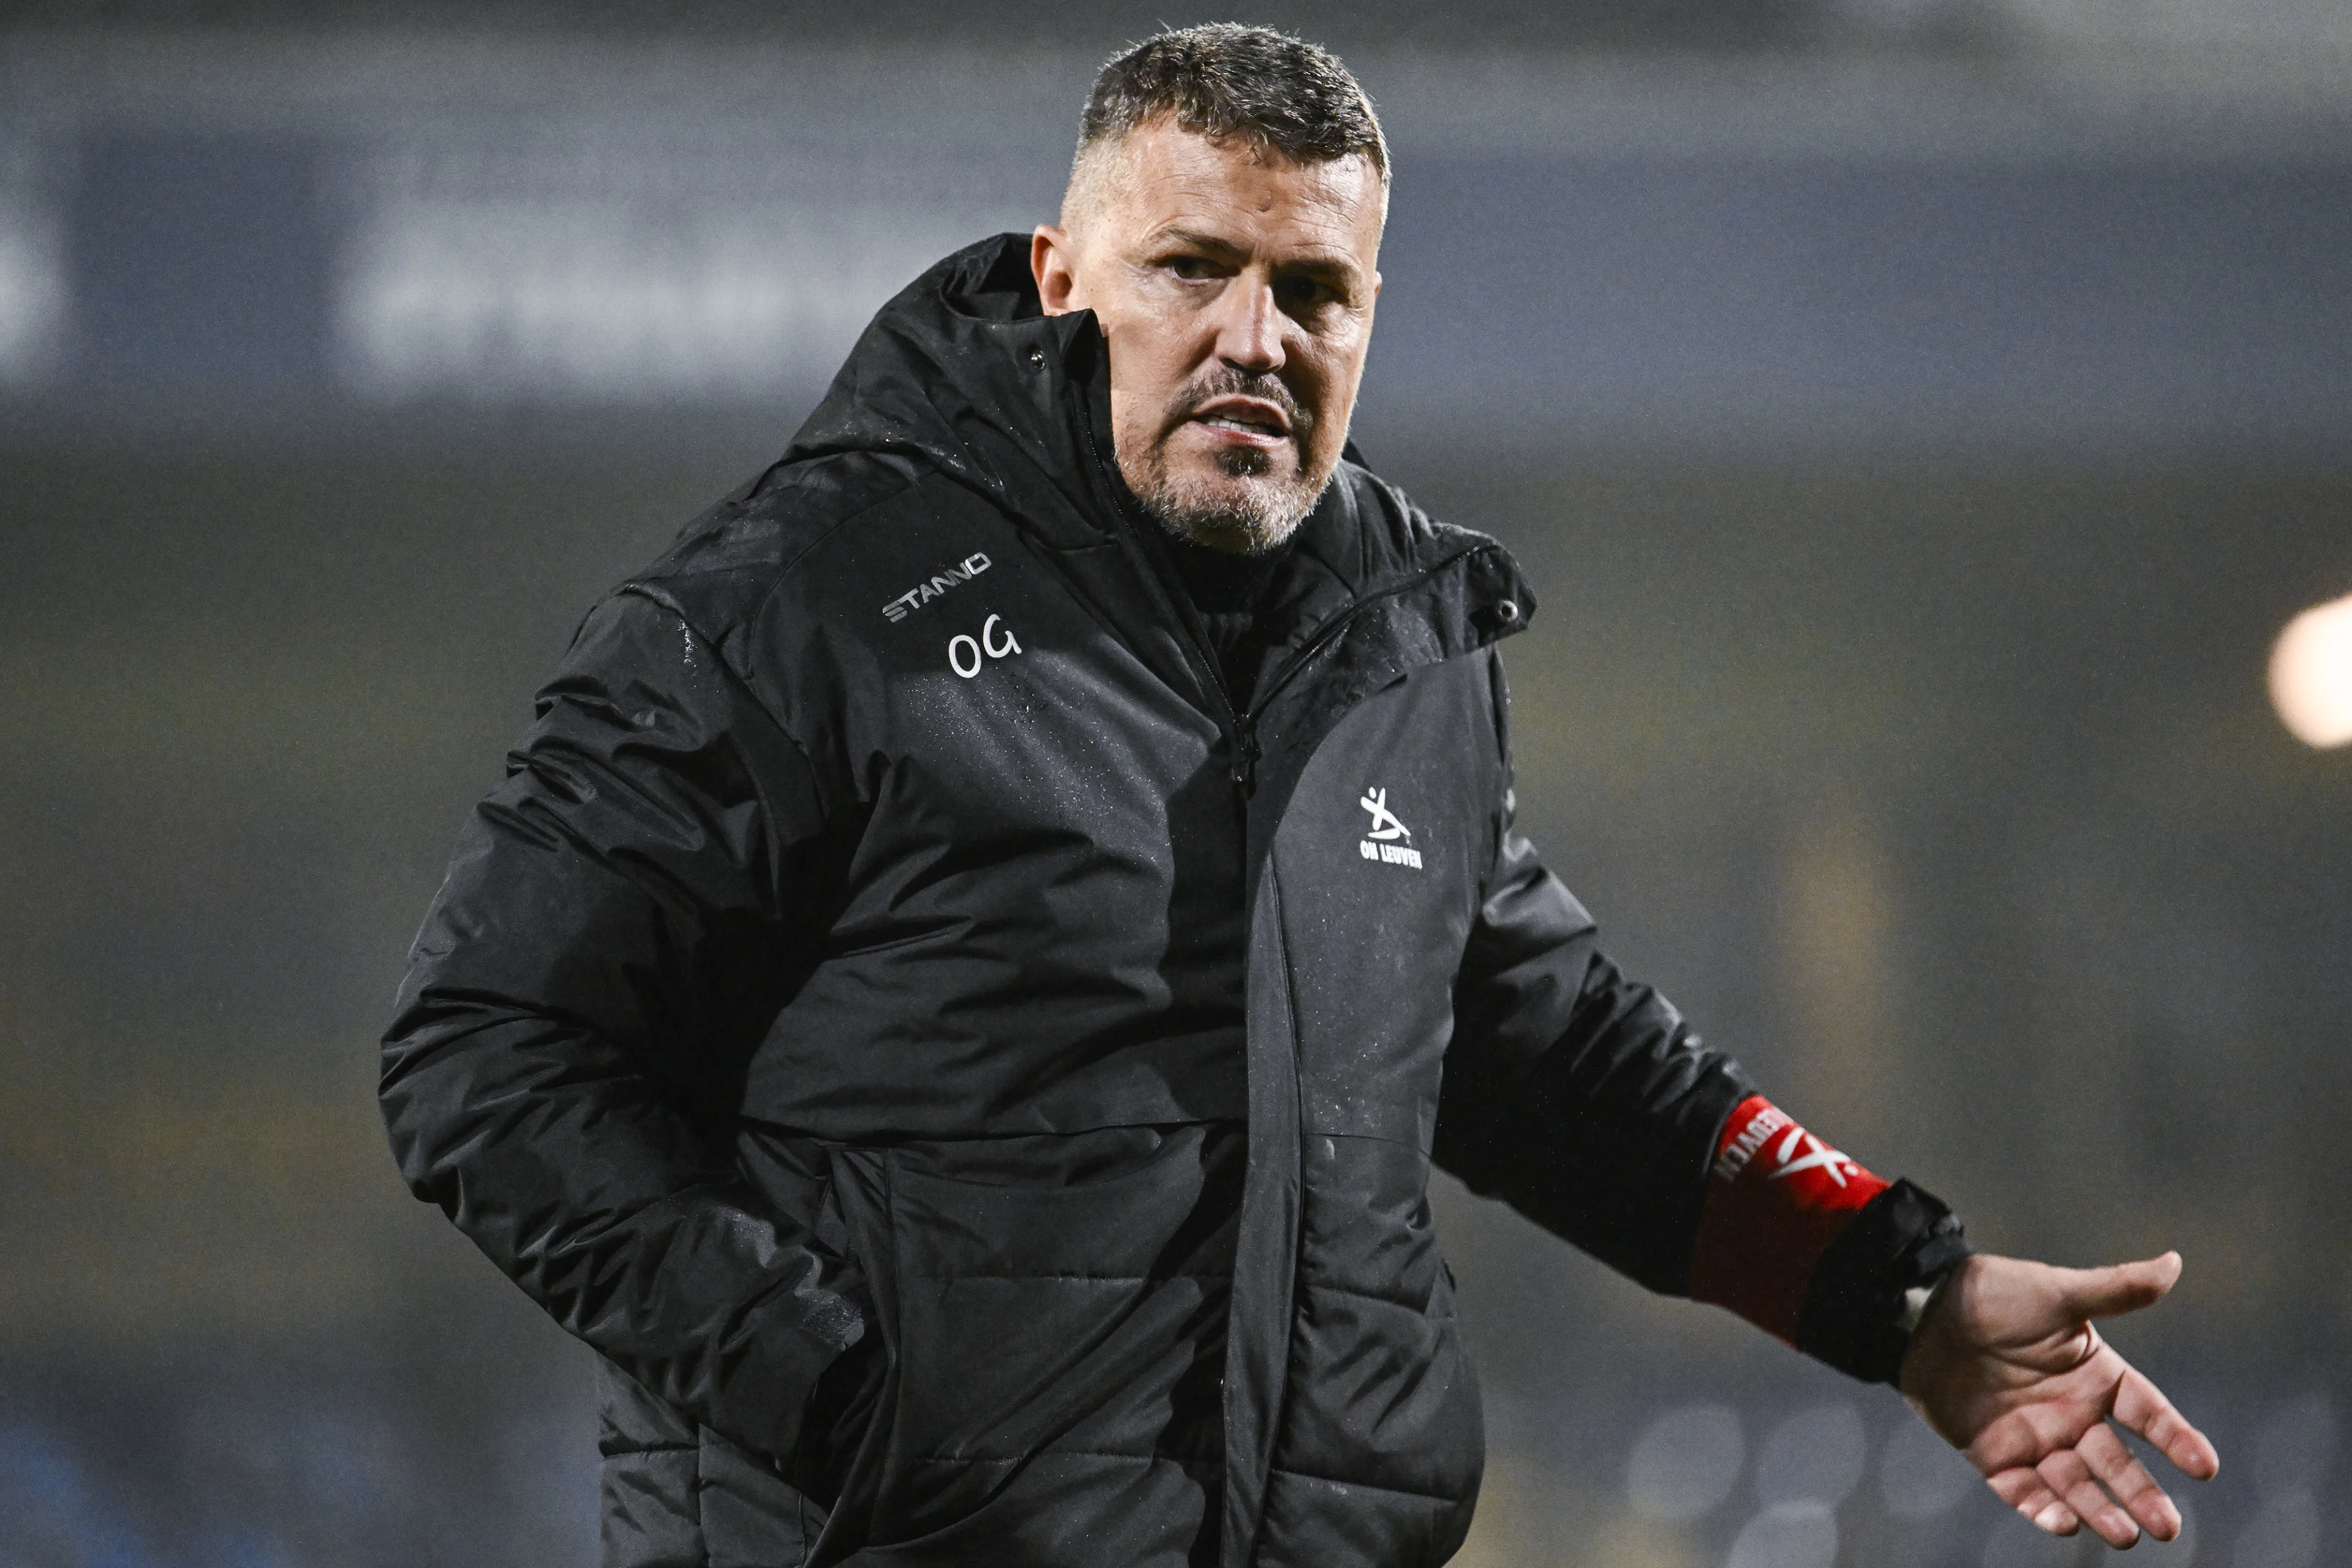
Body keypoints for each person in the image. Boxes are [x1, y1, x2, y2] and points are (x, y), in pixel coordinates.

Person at [379, 24, 2217, 1568]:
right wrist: (845, 1405)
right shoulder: (799, 600)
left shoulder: (1399, 645)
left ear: (1369, 318)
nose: (1257, 335)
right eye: (1195, 270)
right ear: (1060, 279)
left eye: (1316, 291)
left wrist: (1894, 1296)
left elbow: (1552, 1058)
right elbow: (484, 1054)